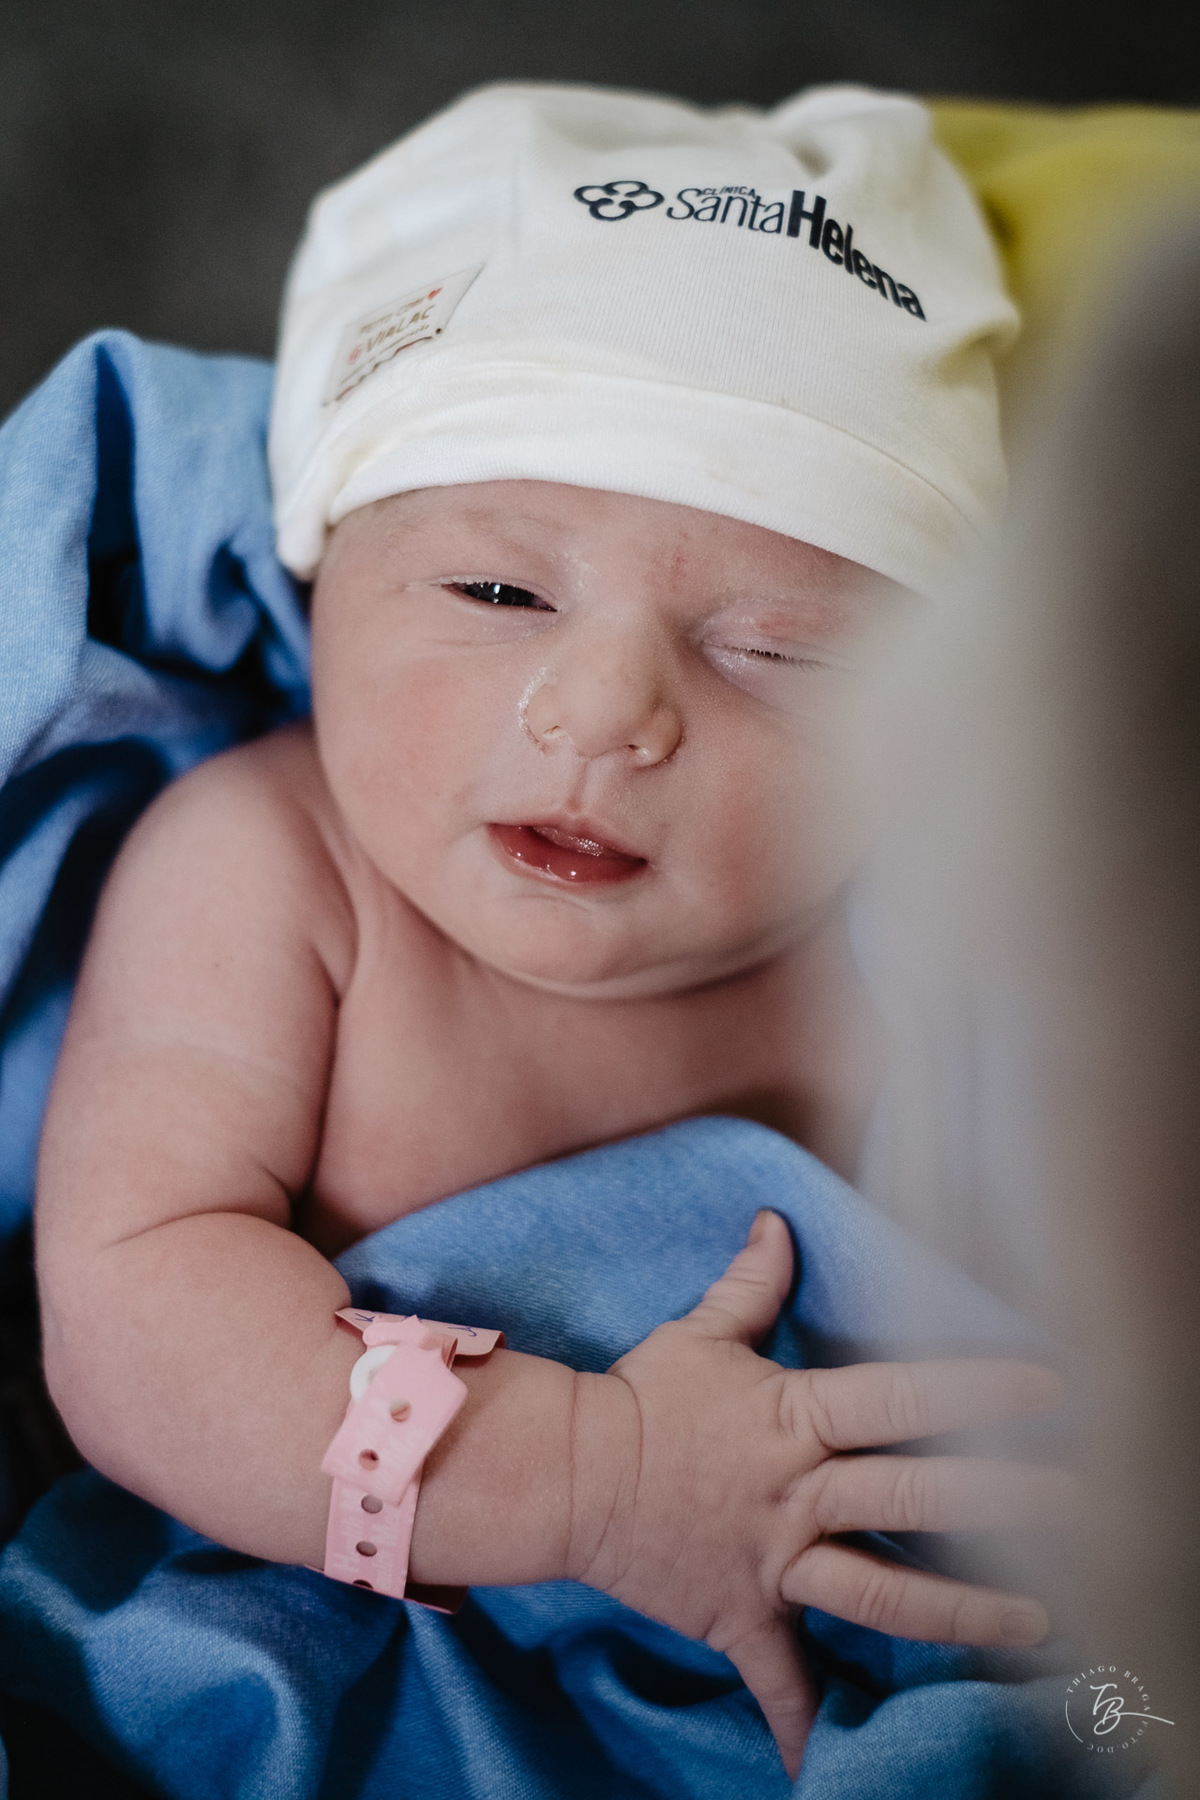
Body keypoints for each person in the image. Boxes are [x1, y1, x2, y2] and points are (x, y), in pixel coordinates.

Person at [31, 82, 1065, 1781]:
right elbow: (136, 1312)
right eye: (498, 592)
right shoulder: (276, 870)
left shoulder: (916, 938)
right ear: (323, 573)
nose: (604, 715)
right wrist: (588, 1480)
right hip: (344, 1646)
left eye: (782, 653)